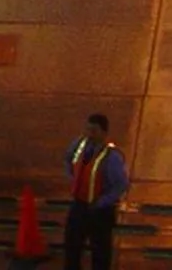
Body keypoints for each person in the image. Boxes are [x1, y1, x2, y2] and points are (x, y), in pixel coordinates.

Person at [63, 113, 129, 270]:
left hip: (100, 211)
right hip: (79, 206)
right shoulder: (79, 146)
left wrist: (101, 202)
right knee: (72, 247)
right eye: (88, 129)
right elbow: (68, 159)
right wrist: (72, 180)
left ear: (104, 133)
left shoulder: (111, 157)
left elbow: (121, 184)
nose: (90, 134)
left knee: (100, 253)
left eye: (94, 130)